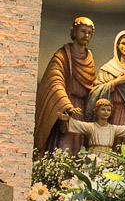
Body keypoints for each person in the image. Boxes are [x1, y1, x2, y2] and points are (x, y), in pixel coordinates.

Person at [34, 16, 96, 155]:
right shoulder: (62, 55)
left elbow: (93, 86)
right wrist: (66, 104)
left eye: (89, 33)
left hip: (81, 110)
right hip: (65, 109)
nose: (86, 35)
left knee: (77, 149)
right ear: (73, 32)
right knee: (63, 147)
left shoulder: (89, 57)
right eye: (83, 31)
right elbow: (55, 81)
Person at [59, 98, 125, 157]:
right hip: (93, 155)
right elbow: (78, 124)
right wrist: (67, 119)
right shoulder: (91, 127)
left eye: (108, 110)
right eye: (103, 109)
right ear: (96, 112)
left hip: (108, 156)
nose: (106, 112)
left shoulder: (113, 129)